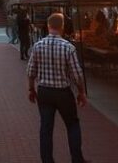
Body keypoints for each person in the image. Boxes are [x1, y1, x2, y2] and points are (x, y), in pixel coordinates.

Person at [27, 13, 87, 163]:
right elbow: (77, 74)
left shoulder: (38, 45)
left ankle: (47, 160)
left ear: (48, 26)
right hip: (63, 92)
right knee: (72, 124)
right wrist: (81, 92)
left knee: (46, 127)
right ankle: (77, 159)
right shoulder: (69, 47)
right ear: (62, 27)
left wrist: (31, 89)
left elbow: (30, 71)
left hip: (44, 91)